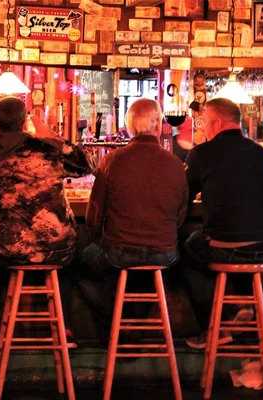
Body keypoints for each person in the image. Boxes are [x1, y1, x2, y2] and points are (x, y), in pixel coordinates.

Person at [0, 97, 94, 354]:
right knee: (66, 258)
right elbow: (86, 166)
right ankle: (66, 329)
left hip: (11, 249)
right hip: (56, 246)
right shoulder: (46, 149)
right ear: (25, 120)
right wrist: (51, 136)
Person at [78, 99, 188, 343]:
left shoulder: (112, 161)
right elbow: (180, 217)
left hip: (119, 252)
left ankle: (116, 329)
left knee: (82, 266)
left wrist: (100, 241)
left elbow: (93, 216)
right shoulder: (177, 165)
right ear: (158, 126)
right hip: (165, 254)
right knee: (145, 274)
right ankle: (133, 327)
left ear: (129, 127)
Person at [179, 98, 263, 349]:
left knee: (182, 252)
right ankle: (245, 304)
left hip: (228, 246)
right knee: (236, 245)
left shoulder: (201, 153)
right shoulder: (259, 152)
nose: (202, 129)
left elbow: (183, 197)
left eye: (204, 123)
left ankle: (214, 326)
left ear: (216, 122)